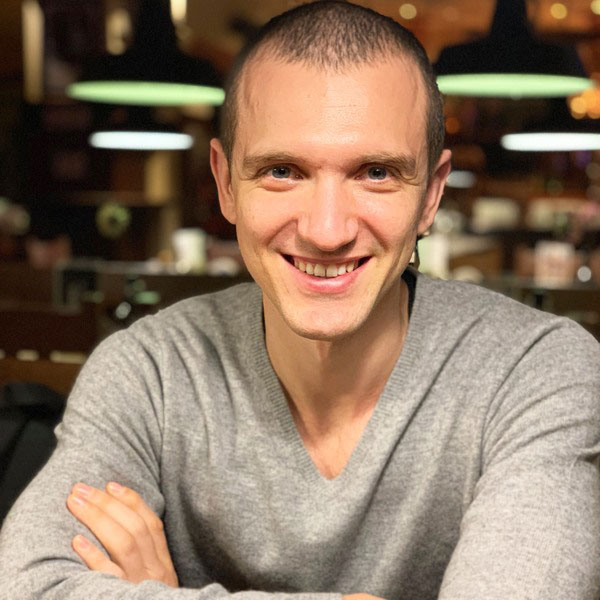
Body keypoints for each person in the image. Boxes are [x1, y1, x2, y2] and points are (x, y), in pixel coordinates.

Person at [1, 2, 599, 599]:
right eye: (283, 171)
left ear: (431, 196)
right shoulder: (150, 372)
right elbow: (27, 586)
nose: (327, 230)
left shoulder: (538, 372)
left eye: (376, 173)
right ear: (225, 183)